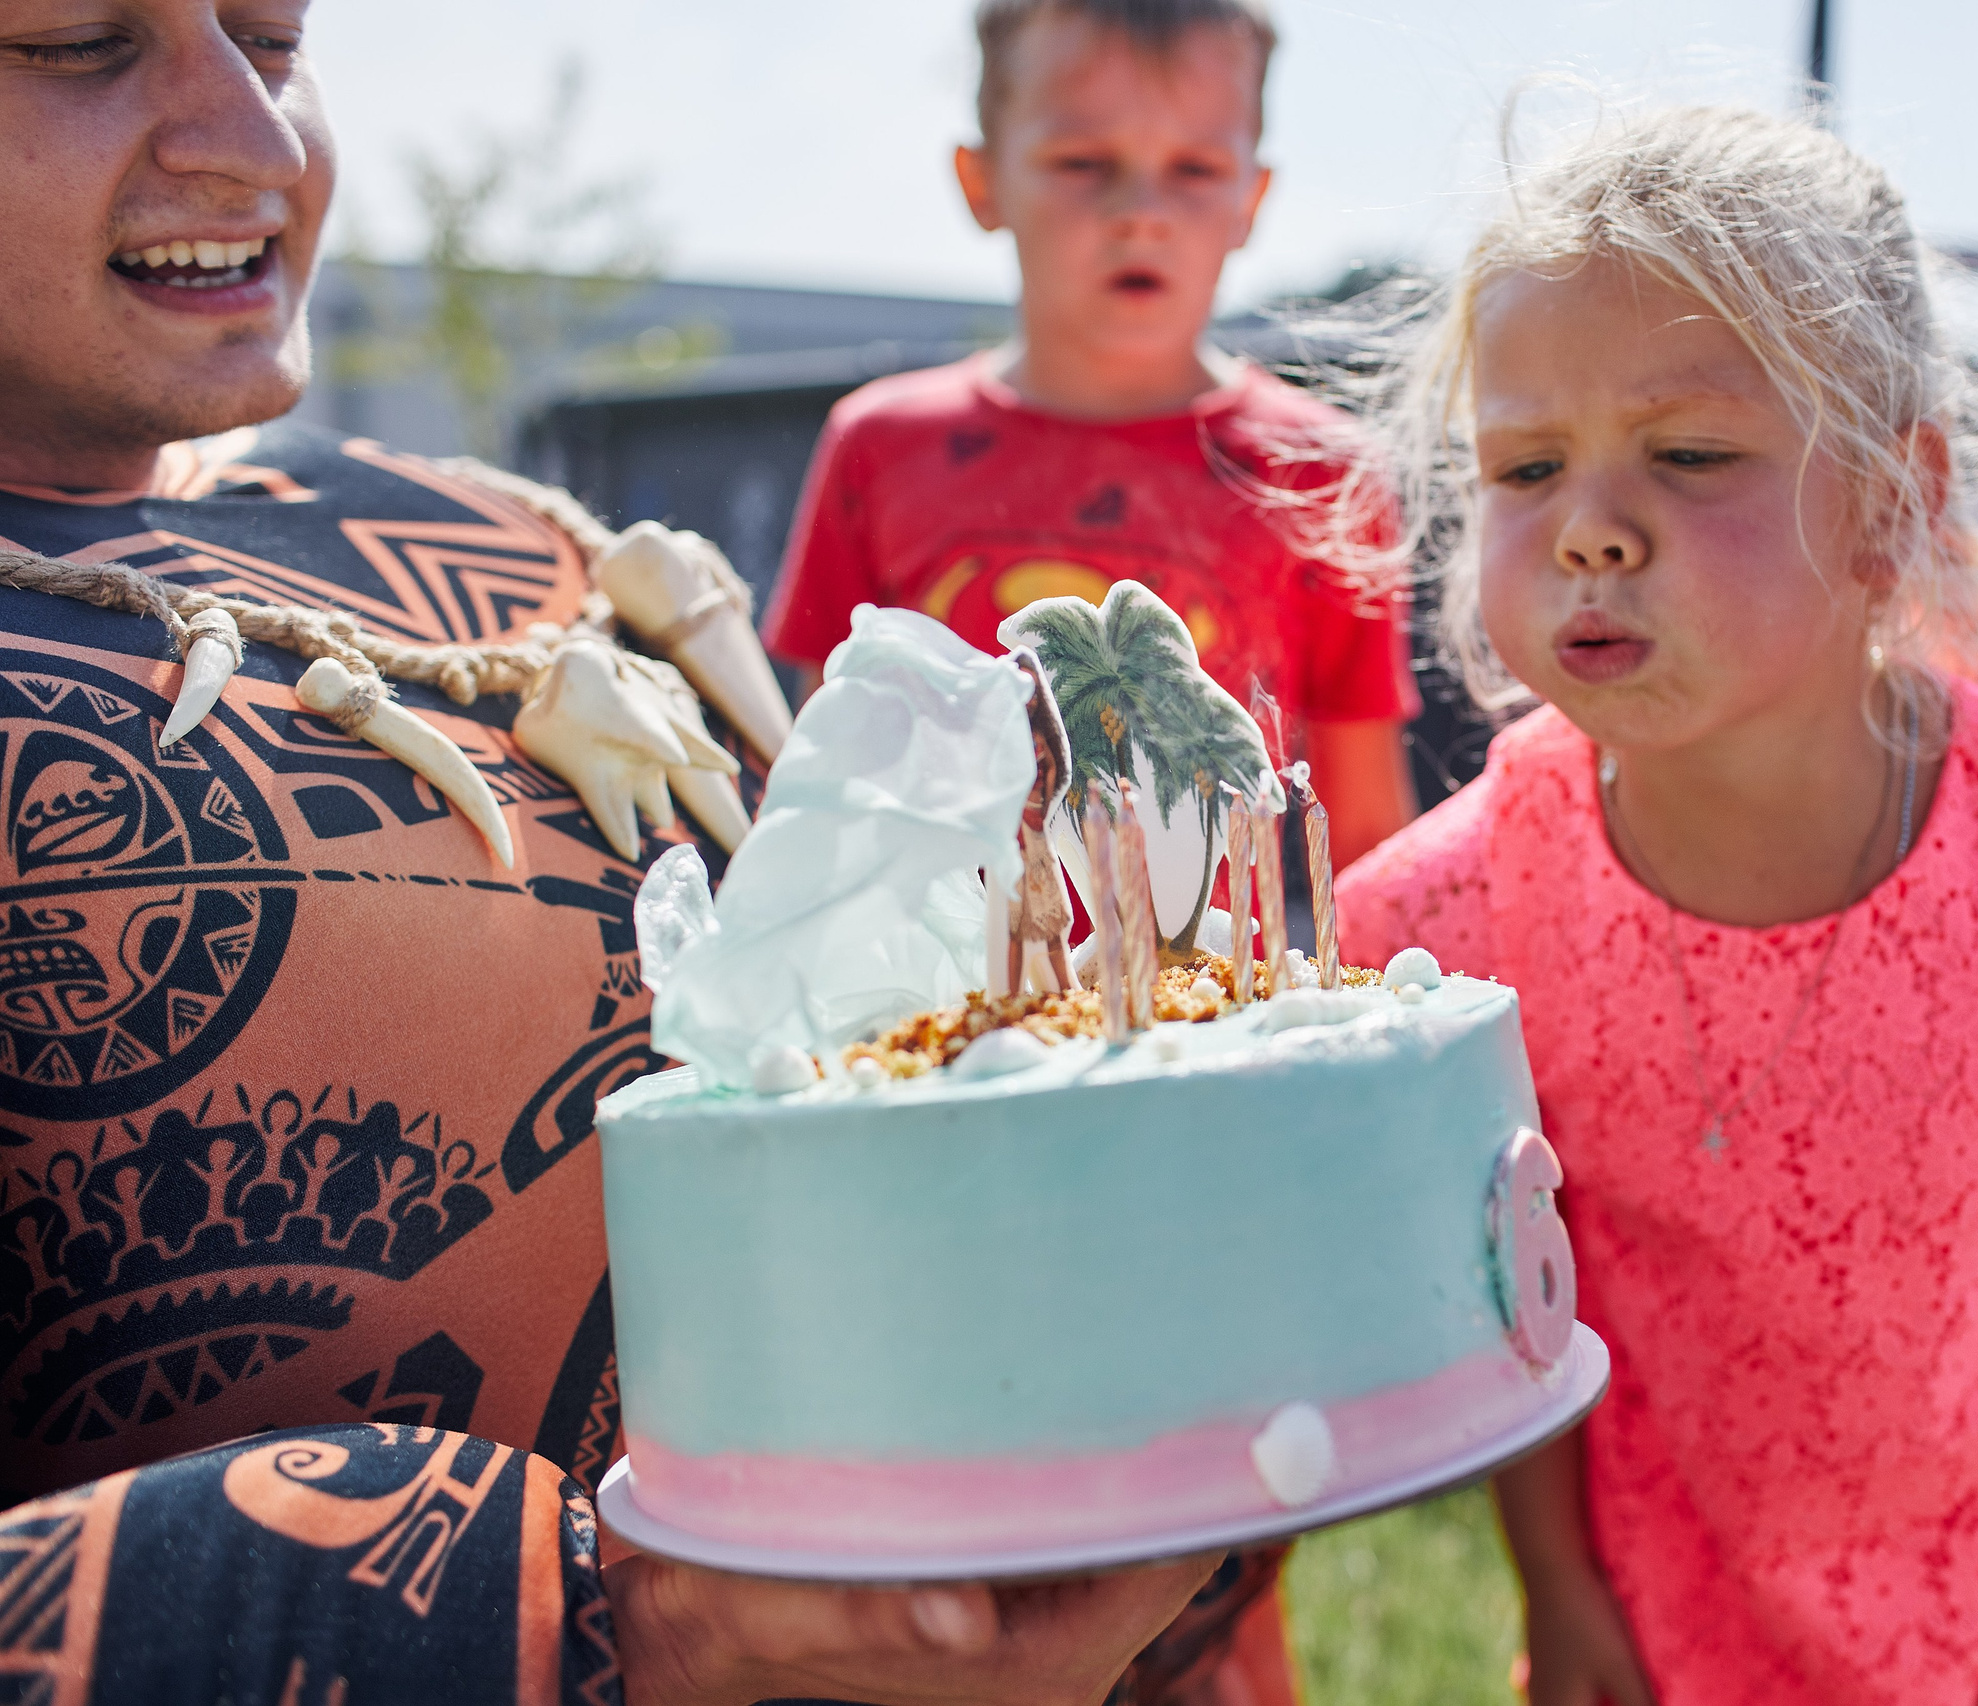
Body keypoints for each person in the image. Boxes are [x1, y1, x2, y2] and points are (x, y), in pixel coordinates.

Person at [0, 5, 1240, 1700]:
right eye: (78, 41)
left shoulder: (523, 534)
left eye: (275, 36)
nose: (262, 141)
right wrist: (615, 1618)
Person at [1335, 106, 1978, 1706]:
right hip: (1674, 1636)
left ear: (1887, 504)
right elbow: (1516, 1282)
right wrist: (1561, 1591)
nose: (1588, 523)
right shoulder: (1466, 913)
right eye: (1529, 466)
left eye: (1689, 453)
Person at [761, 0, 1420, 870]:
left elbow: (1369, 845)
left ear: (1252, 199)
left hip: (1222, 1003)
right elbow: (819, 787)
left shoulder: (1324, 473)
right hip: (936, 1004)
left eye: (1193, 167)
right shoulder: (876, 446)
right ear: (981, 179)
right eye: (1083, 161)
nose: (1140, 211)